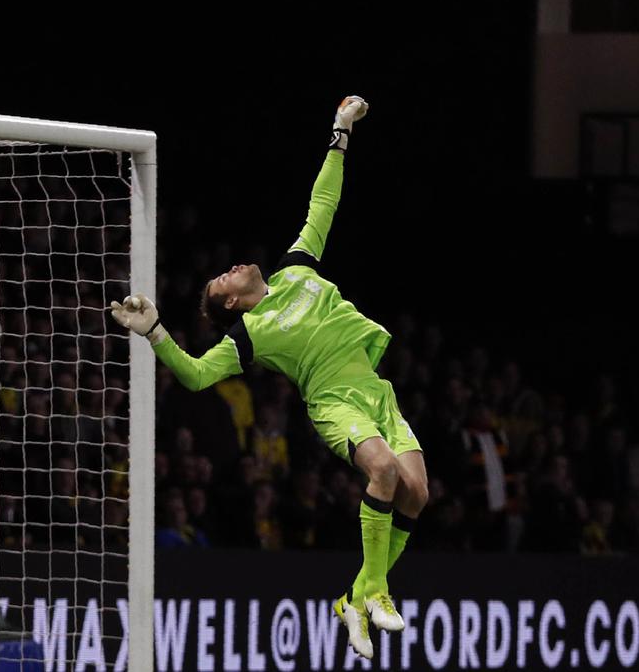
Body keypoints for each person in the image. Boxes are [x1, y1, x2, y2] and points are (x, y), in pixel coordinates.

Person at [110, 97, 428, 660]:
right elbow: (197, 376)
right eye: (222, 276)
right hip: (334, 402)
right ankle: (375, 591)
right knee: (380, 470)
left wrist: (340, 132)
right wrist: (156, 330)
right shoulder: (248, 336)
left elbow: (322, 202)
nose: (233, 266)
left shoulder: (296, 269)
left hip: (376, 392)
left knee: (418, 494)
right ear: (230, 300)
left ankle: (354, 599)